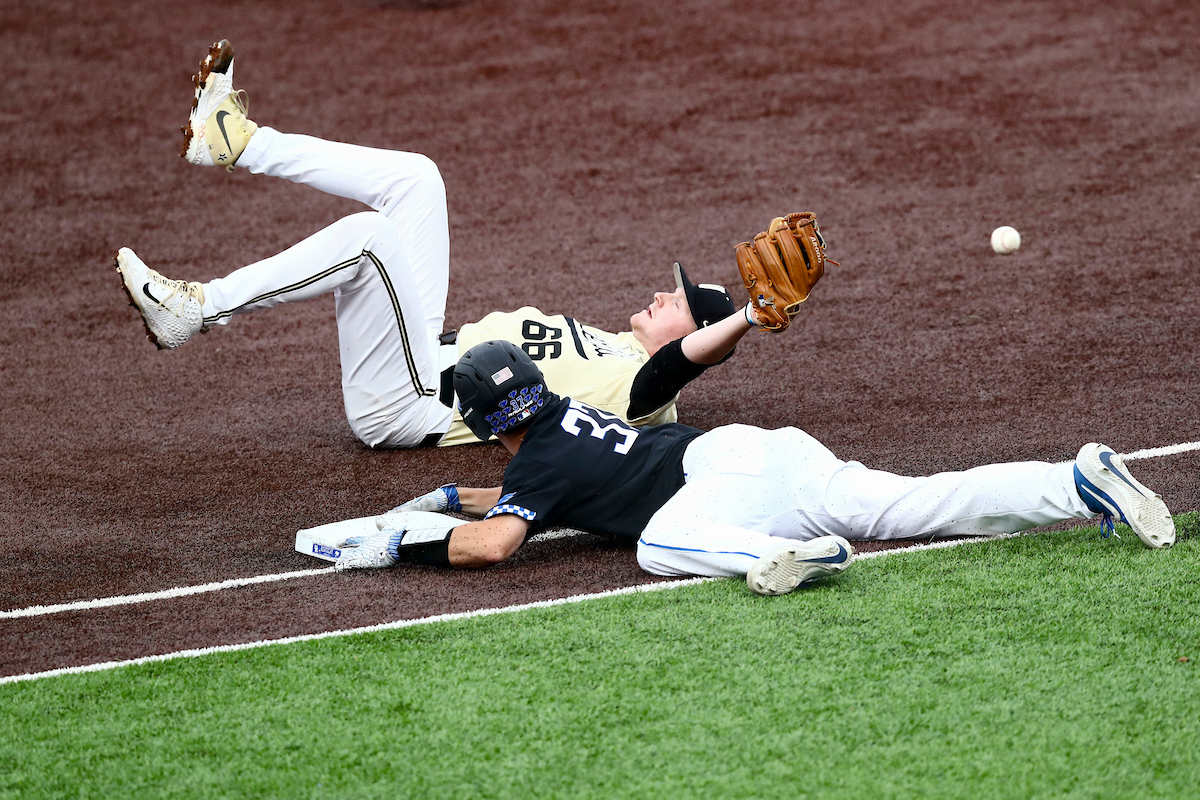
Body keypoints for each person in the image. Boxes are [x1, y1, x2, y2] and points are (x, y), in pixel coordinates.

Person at [115, 40, 754, 448]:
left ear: (691, 336)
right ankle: (235, 141)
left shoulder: (642, 393)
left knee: (368, 241)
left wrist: (750, 318)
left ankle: (198, 308)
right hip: (420, 354)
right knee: (418, 179)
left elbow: (679, 368)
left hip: (410, 403)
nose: (660, 294)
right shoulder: (617, 348)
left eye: (677, 301)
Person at [334, 340, 1176, 596]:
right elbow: (537, 490)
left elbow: (495, 546)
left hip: (720, 493)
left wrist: (400, 546)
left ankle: (770, 561)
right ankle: (1074, 481)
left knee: (658, 549)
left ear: (481, 422)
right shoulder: (563, 424)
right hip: (763, 452)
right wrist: (454, 495)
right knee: (920, 503)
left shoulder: (538, 465)